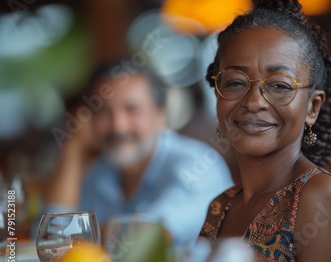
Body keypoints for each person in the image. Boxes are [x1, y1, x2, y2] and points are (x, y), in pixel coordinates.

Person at [197, 0, 331, 262]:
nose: (254, 101)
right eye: (234, 82)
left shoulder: (317, 196)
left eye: (280, 86)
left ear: (312, 107)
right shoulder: (221, 206)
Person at [39, 59, 235, 247]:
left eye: (132, 110)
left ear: (160, 116)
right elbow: (50, 242)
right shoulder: (99, 174)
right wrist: (73, 149)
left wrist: (84, 242)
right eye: (104, 112)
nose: (118, 126)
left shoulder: (198, 165)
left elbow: (145, 234)